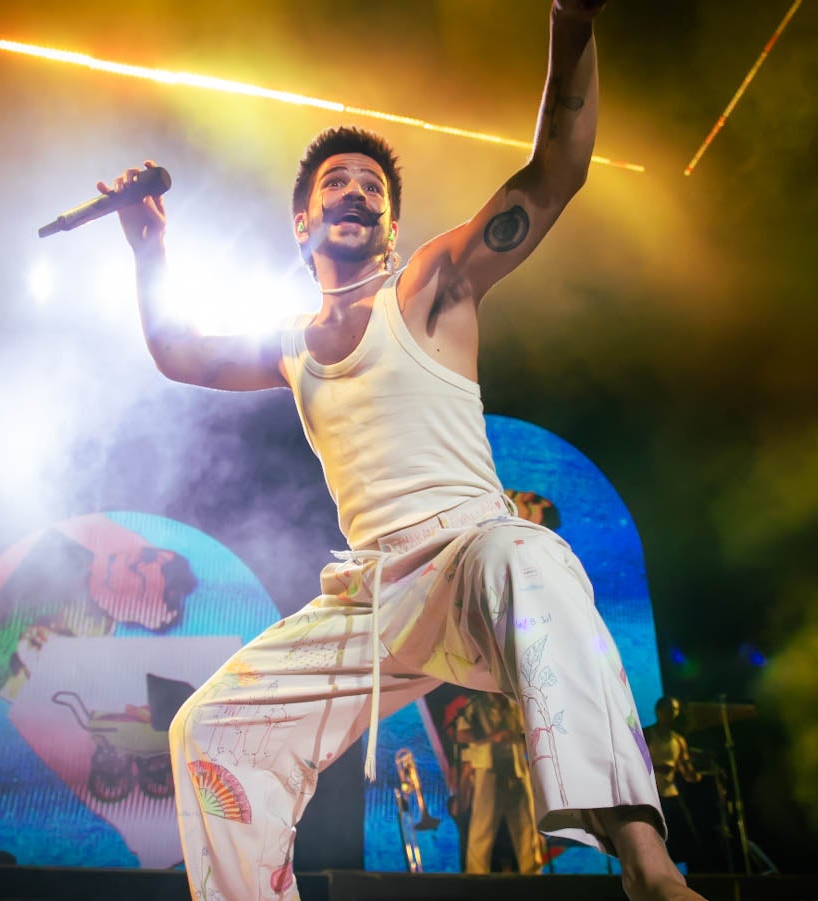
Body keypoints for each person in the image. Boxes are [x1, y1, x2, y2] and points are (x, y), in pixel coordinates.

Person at [103, 2, 704, 898]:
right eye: (336, 183)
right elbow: (176, 352)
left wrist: (571, 26)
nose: (356, 192)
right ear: (302, 224)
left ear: (390, 227)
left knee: (530, 555)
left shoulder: (430, 286)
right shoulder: (288, 342)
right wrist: (149, 246)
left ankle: (650, 870)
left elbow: (554, 175)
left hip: (470, 553)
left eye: (373, 189)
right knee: (208, 729)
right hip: (373, 598)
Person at [453, 690, 545, 875]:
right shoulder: (475, 705)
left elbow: (527, 734)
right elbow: (461, 735)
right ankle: (476, 878)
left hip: (516, 770)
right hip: (488, 771)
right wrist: (491, 738)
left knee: (527, 827)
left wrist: (517, 737)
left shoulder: (515, 704)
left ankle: (533, 876)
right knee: (483, 828)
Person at [643, 697, 705, 870]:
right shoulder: (647, 735)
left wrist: (695, 775)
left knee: (685, 839)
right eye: (669, 709)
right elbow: (634, 764)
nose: (672, 714)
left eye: (675, 710)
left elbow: (685, 769)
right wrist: (657, 768)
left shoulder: (678, 740)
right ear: (659, 711)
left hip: (671, 794)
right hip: (651, 797)